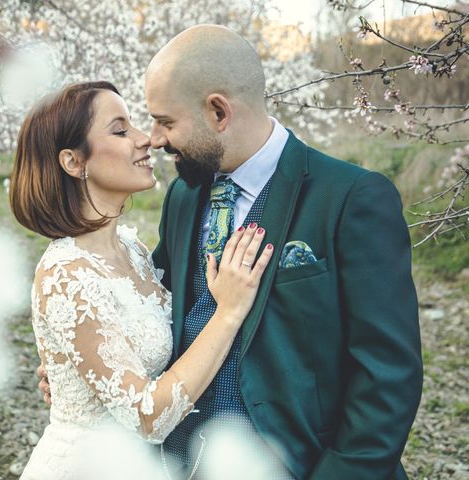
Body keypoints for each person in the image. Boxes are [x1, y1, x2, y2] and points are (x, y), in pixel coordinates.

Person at [39, 25, 423, 479]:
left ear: (218, 112)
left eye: (166, 121)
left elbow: (387, 377)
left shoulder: (351, 198)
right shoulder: (183, 197)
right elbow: (152, 309)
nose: (155, 139)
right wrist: (83, 363)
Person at [10, 80, 275, 480]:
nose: (145, 140)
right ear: (73, 162)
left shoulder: (132, 250)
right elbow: (147, 417)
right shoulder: (66, 273)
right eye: (120, 131)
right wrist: (229, 312)